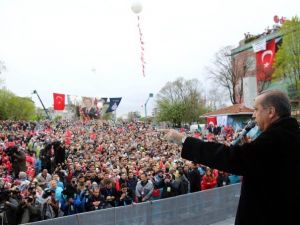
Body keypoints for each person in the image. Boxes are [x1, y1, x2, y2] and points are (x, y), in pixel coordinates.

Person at [164, 90, 300, 225]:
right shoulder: (290, 134)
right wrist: (248, 149)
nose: (253, 115)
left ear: (271, 111)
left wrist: (183, 140)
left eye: (256, 109)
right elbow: (261, 164)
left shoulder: (275, 139)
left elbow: (228, 157)